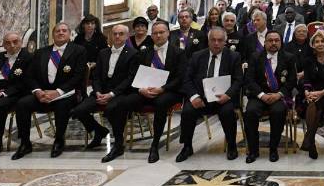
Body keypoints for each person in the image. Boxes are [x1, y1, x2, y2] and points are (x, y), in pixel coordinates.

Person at [103, 20, 187, 163]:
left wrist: (162, 89)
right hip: (145, 90)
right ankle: (118, 144)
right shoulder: (143, 53)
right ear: (151, 35)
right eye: (155, 33)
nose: (158, 35)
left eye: (161, 32)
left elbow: (180, 77)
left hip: (169, 91)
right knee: (120, 104)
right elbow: (134, 75)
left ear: (168, 33)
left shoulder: (178, 53)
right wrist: (140, 89)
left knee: (161, 103)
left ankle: (154, 146)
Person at [12, 22, 86, 159]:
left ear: (69, 34)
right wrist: (38, 91)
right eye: (57, 31)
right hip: (43, 93)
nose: (61, 33)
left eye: (64, 30)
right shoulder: (41, 52)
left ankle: (59, 140)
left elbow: (78, 77)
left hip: (67, 93)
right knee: (22, 104)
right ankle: (25, 143)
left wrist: (58, 92)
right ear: (53, 35)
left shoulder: (78, 51)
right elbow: (29, 76)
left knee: (62, 105)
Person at [177, 27, 243, 162]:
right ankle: (187, 146)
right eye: (213, 40)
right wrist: (194, 97)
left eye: (220, 40)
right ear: (208, 41)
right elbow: (187, 79)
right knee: (188, 111)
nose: (216, 43)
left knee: (228, 112)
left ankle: (231, 145)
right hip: (201, 98)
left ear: (225, 42)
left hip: (223, 98)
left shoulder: (233, 56)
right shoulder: (197, 56)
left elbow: (238, 80)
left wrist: (228, 95)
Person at [72, 24, 137, 152]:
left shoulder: (133, 54)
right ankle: (99, 130)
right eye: (115, 34)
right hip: (100, 92)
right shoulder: (103, 53)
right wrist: (97, 92)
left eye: (121, 34)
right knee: (78, 111)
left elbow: (130, 79)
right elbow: (96, 77)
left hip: (120, 93)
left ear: (127, 36)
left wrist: (111, 94)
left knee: (112, 109)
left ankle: (118, 143)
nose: (117, 36)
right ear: (110, 36)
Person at [243, 29, 297, 163]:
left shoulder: (289, 57)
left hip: (278, 96)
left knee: (278, 112)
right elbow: (249, 80)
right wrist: (261, 95)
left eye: (276, 40)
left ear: (281, 42)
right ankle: (253, 150)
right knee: (250, 112)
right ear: (265, 42)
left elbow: (292, 81)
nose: (273, 43)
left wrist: (279, 94)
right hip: (259, 96)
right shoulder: (255, 57)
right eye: (270, 40)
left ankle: (273, 149)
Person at [300, 31, 324, 159]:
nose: (320, 44)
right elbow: (306, 79)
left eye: (322, 41)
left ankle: (309, 140)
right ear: (313, 44)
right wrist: (306, 92)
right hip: (312, 92)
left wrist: (322, 93)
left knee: (316, 103)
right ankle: (310, 142)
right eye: (317, 41)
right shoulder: (308, 60)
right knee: (313, 104)